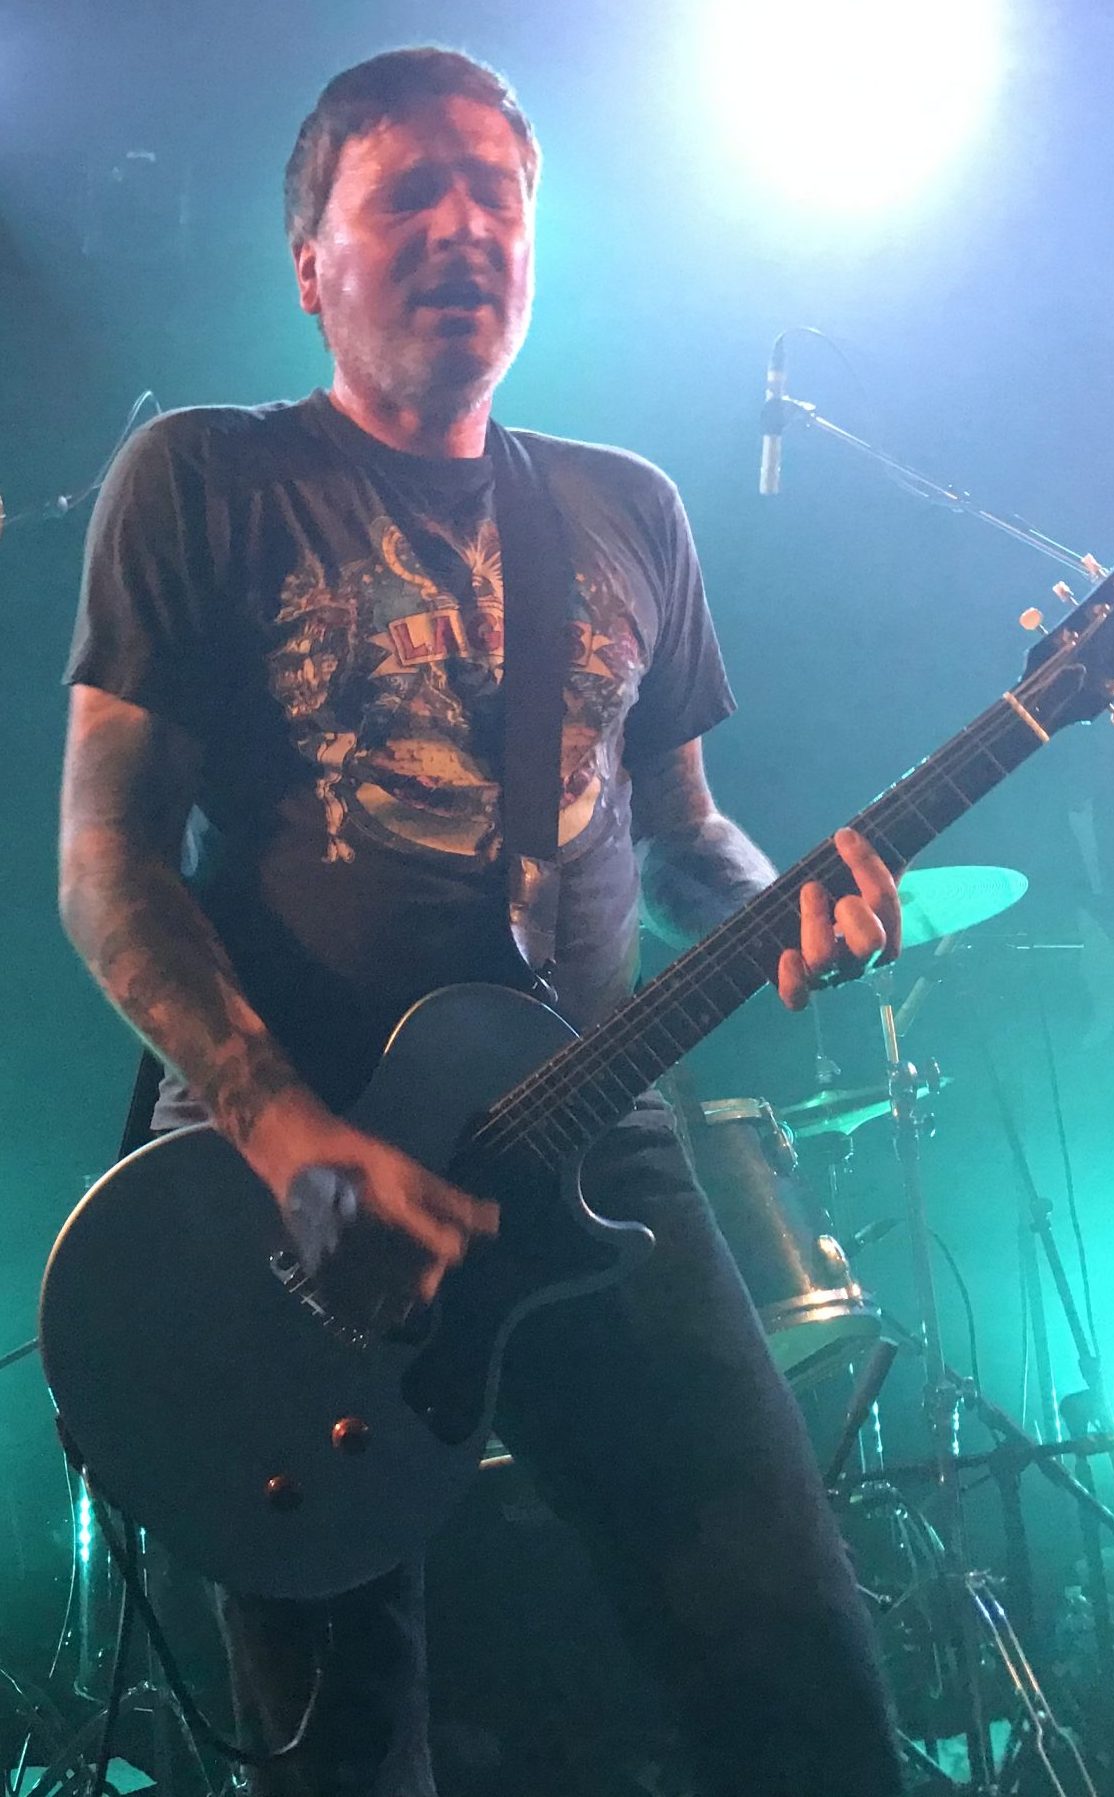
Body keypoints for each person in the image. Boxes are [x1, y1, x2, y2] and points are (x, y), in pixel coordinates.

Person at [59, 45, 906, 1797]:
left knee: (798, 1688)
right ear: (311, 264)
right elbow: (106, 859)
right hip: (281, 1165)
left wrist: (780, 906)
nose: (465, 226)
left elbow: (681, 833)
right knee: (347, 1756)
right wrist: (287, 1136)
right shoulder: (202, 477)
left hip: (594, 1127)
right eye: (408, 194)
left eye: (497, 195)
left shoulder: (626, 508)